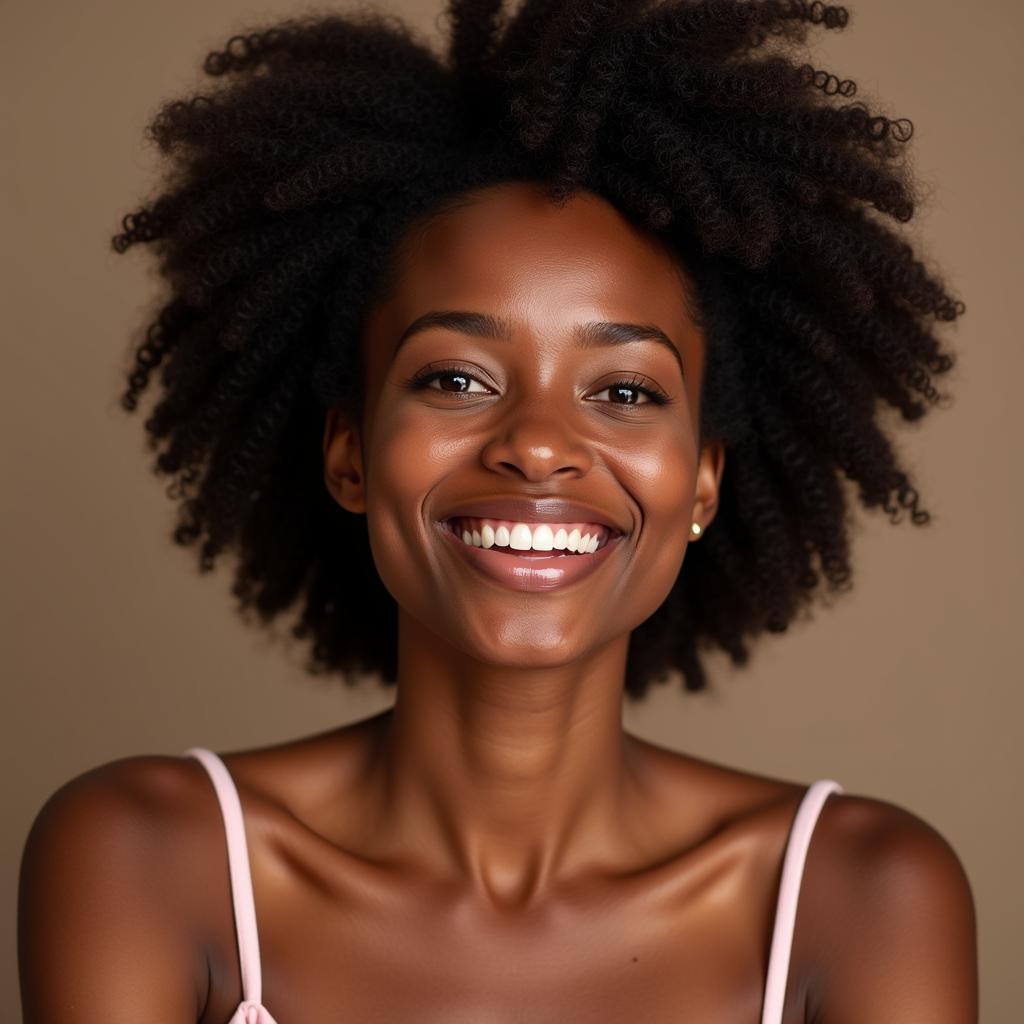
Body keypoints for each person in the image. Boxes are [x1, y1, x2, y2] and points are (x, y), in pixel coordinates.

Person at [18, 1, 978, 1020]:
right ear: (349, 453)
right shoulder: (148, 857)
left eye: (622, 391)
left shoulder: (861, 894)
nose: (536, 442)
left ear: (701, 479)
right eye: (456, 379)